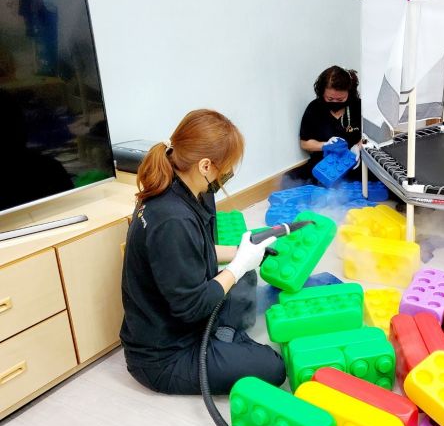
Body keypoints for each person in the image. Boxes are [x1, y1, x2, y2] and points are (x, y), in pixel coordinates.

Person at [120, 109, 286, 395]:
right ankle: (222, 341)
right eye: (227, 167)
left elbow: (191, 251)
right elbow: (192, 306)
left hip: (184, 320)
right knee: (273, 366)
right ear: (206, 166)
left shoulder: (186, 188)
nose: (228, 174)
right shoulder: (171, 219)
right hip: (165, 356)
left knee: (246, 277)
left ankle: (222, 338)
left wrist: (241, 252)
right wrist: (237, 265)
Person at [296, 65, 363, 182]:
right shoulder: (314, 108)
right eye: (330, 99)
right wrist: (324, 145)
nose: (335, 102)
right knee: (293, 179)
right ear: (322, 93)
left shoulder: (358, 106)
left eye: (341, 99)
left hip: (355, 162)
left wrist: (358, 147)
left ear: (349, 92)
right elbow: (305, 143)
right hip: (324, 165)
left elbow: (372, 137)